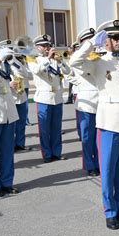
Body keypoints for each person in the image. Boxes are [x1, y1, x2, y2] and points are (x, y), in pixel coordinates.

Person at [69, 19, 119, 230]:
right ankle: (110, 212)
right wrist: (92, 43)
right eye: (114, 38)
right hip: (109, 122)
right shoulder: (98, 61)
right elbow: (74, 62)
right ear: (106, 41)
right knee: (108, 169)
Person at [66, 28, 100, 177]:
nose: (93, 43)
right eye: (89, 40)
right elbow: (76, 63)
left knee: (99, 137)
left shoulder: (98, 57)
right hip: (86, 104)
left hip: (101, 103)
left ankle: (100, 162)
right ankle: (89, 164)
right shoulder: (79, 58)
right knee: (87, 137)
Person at [29, 34, 68, 163]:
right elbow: (37, 71)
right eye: (44, 46)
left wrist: (60, 61)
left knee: (56, 128)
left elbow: (68, 72)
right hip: (44, 98)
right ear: (37, 47)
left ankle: (57, 152)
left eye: (48, 45)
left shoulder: (55, 59)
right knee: (45, 129)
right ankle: (47, 154)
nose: (47, 48)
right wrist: (48, 58)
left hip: (56, 97)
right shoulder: (33, 59)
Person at [0, 47, 20, 197]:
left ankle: (7, 183)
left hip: (8, 111)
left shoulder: (3, 62)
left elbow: (21, 74)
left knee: (7, 151)